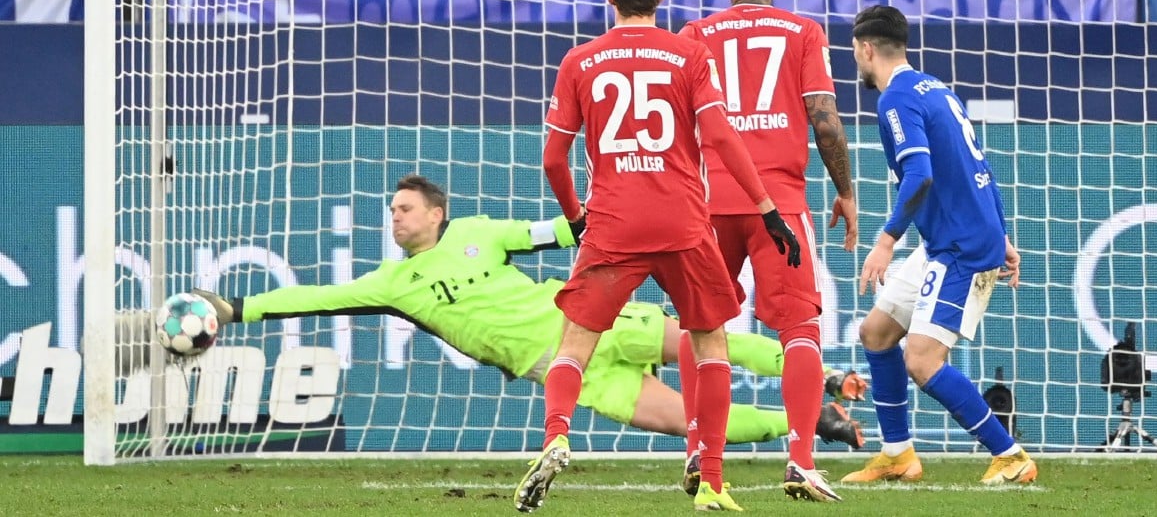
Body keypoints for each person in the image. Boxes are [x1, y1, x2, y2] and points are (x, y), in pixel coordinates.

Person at [180, 176, 866, 453]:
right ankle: (812, 424)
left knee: (701, 339)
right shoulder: (395, 282)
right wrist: (236, 307)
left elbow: (564, 229)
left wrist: (615, 206)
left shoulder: (481, 230)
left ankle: (823, 379)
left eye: (406, 208)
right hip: (564, 372)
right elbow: (316, 297)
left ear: (438, 213)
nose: (395, 216)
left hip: (589, 323)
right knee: (687, 425)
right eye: (391, 211)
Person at [525, 0, 805, 513]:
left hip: (613, 224)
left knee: (573, 348)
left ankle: (556, 434)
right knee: (710, 344)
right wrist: (766, 205)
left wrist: (578, 218)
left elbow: (554, 160)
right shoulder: (687, 55)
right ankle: (712, 483)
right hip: (682, 221)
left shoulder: (580, 61)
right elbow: (722, 139)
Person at [677, 0, 858, 503]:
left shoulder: (693, 35)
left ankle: (697, 448)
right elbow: (825, 121)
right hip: (778, 203)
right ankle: (801, 459)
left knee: (701, 324)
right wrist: (845, 192)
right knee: (800, 327)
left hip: (708, 201)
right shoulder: (803, 31)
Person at [842, 5, 1035, 485]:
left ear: (867, 49)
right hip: (951, 239)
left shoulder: (895, 101)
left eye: (854, 54)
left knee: (923, 359)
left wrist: (885, 241)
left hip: (960, 247)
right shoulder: (936, 89)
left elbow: (920, 175)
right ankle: (897, 455)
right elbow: (979, 165)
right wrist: (1004, 231)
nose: (856, 63)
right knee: (876, 333)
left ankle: (1010, 455)